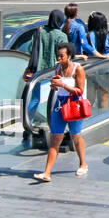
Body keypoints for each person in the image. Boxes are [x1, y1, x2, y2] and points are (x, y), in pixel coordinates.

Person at [32, 43, 89, 182]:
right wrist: (54, 86)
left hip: (74, 104)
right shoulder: (58, 67)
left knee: (76, 136)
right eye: (58, 55)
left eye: (62, 56)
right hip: (60, 104)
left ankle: (83, 163)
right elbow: (57, 86)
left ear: (69, 56)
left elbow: (80, 90)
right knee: (55, 138)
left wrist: (63, 85)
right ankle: (47, 172)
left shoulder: (78, 69)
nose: (59, 58)